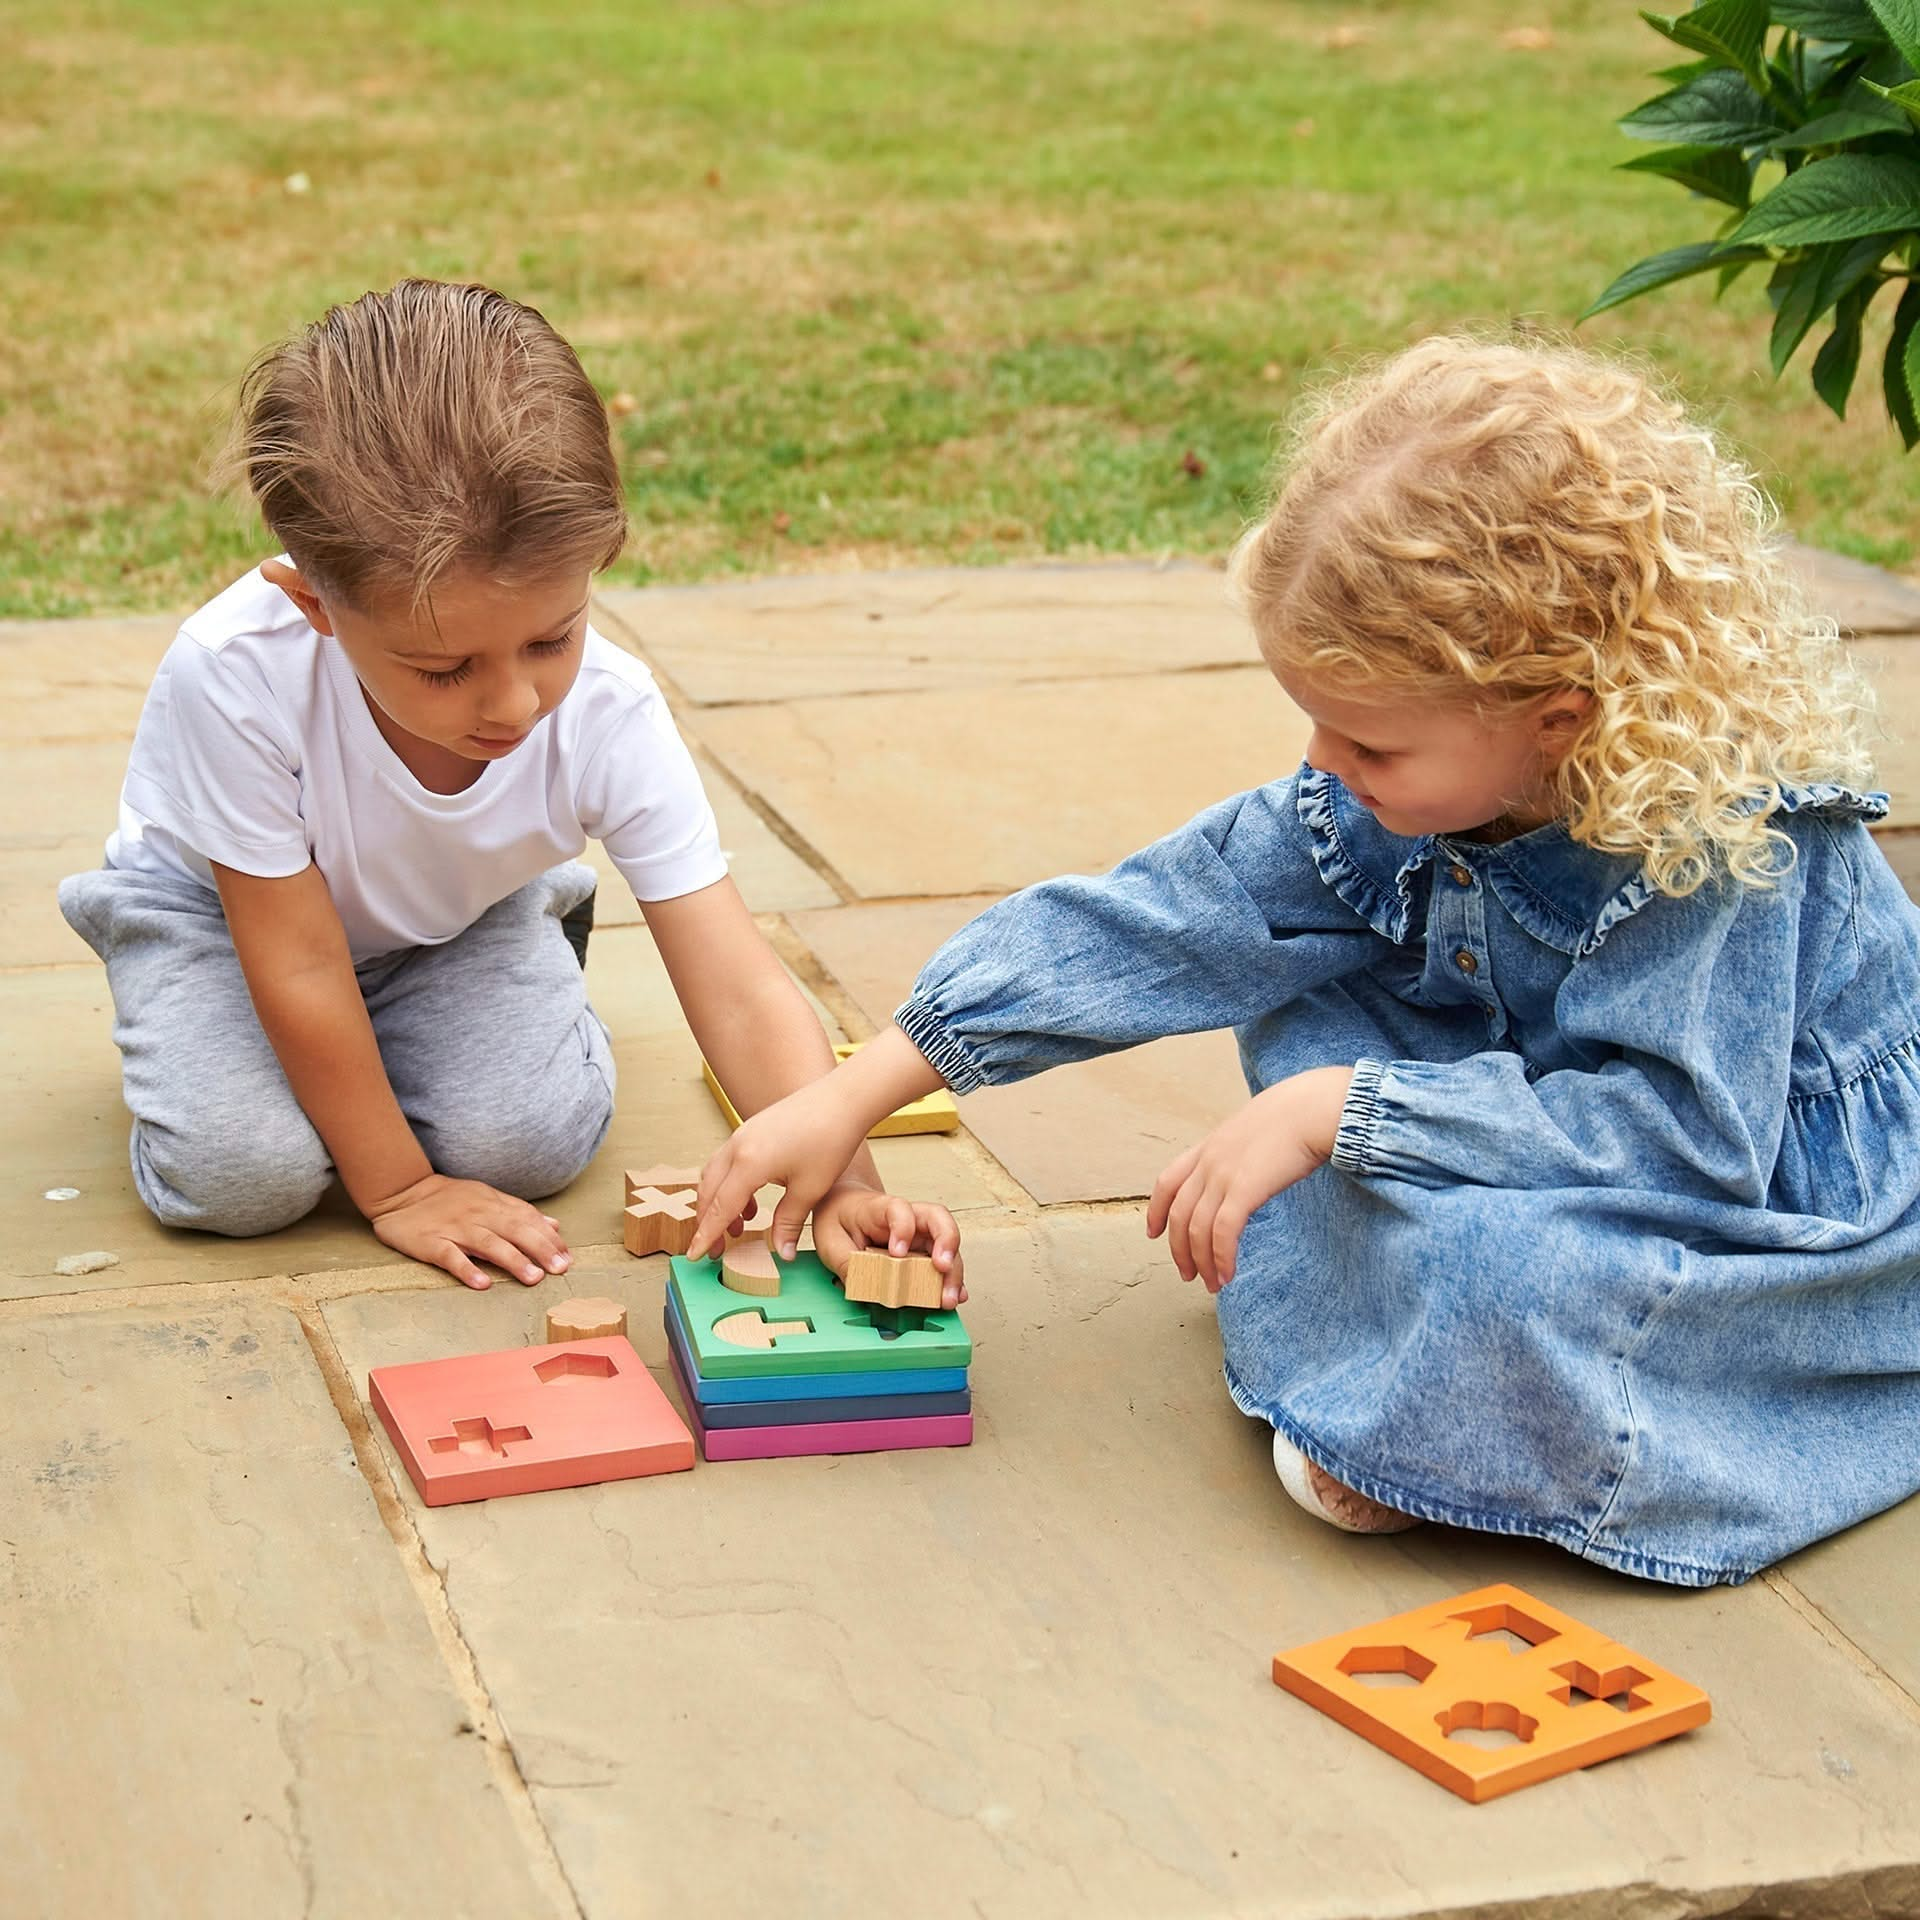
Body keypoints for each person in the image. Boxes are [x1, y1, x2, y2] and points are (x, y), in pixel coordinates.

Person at [690, 334, 1920, 1586]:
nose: (1326, 763)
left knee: (1511, 1278)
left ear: (1561, 713)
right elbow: (1150, 921)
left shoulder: (1718, 842)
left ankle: (1466, 1399)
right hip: (1512, 1127)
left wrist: (1341, 1111)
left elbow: (1682, 1148)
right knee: (1310, 1014)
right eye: (1315, 721)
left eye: (1373, 742)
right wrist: (857, 1089)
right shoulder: (1366, 799)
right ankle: (1416, 1375)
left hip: (1743, 1197)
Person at [61, 279, 961, 1297]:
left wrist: (841, 1181)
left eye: (553, 638)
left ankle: (524, 925)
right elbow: (301, 966)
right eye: (443, 669)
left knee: (528, 1145)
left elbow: (741, 984)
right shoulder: (233, 674)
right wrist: (398, 1186)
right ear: (314, 600)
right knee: (241, 1176)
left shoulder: (611, 711)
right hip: (226, 922)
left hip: (453, 911)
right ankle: (205, 1038)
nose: (515, 703)